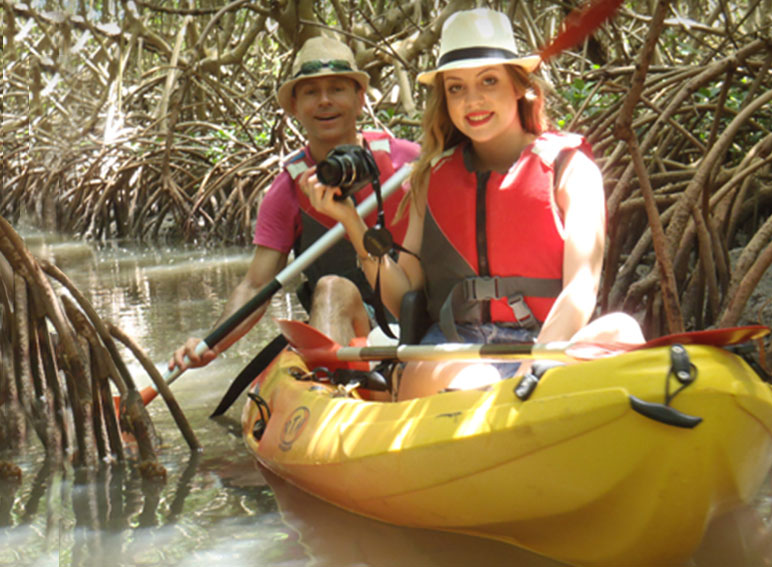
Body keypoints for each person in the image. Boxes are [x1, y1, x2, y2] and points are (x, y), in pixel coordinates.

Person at [304, 9, 644, 399]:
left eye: (488, 81)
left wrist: (537, 367)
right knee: (467, 374)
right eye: (456, 88)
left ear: (519, 86)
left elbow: (580, 287)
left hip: (546, 346)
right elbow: (403, 298)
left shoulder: (572, 171)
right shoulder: (431, 178)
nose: (473, 100)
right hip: (452, 350)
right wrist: (352, 223)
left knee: (622, 331)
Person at [169, 36, 420, 372]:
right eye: (311, 92)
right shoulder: (287, 190)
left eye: (337, 89)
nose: (325, 101)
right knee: (332, 288)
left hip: (417, 317)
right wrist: (211, 343)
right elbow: (257, 284)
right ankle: (330, 399)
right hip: (351, 321)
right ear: (295, 108)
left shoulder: (408, 162)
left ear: (360, 99)